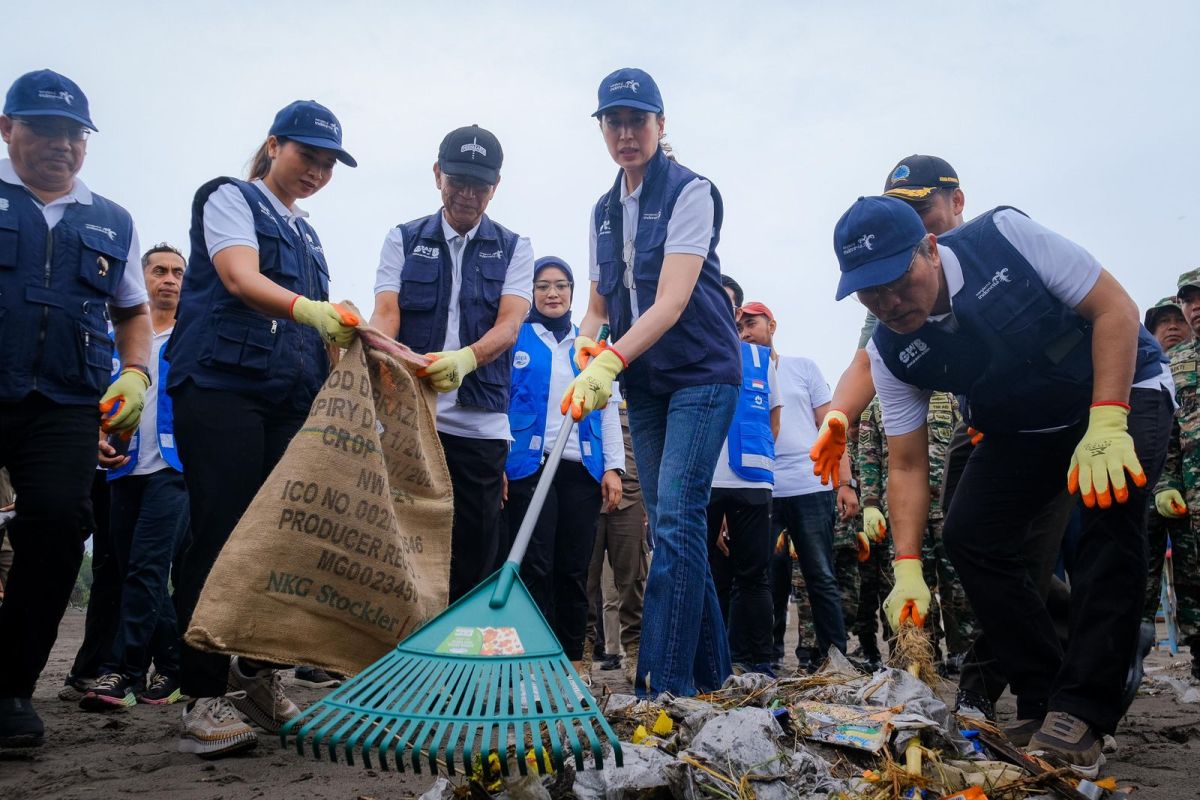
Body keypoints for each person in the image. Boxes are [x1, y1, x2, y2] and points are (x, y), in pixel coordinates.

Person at [832, 193, 1171, 776]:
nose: (887, 302)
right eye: (869, 291)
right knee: (970, 534)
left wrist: (1109, 417)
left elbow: (1114, 309)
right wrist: (908, 565)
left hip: (1117, 389)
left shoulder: (1005, 239)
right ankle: (1044, 693)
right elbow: (908, 463)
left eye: (896, 279)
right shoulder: (889, 351)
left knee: (1110, 506)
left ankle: (1085, 710)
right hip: (1024, 425)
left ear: (930, 249)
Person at [165, 100, 359, 757]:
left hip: (289, 396)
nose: (316, 171)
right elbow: (238, 277)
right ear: (274, 145)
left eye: (328, 164)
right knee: (222, 534)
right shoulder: (230, 199)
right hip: (222, 387)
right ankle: (201, 693)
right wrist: (314, 308)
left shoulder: (309, 235)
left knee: (282, 542)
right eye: (307, 156)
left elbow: (324, 334)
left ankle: (259, 680)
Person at [570, 67, 742, 697]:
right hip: (646, 382)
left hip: (702, 373)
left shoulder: (692, 192)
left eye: (637, 121)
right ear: (602, 129)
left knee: (675, 519)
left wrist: (608, 360)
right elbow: (597, 304)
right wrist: (585, 348)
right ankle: (717, 679)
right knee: (674, 522)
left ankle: (660, 688)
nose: (625, 133)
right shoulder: (602, 210)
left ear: (660, 125)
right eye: (613, 122)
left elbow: (669, 303)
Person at [0, 70, 152, 748]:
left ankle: (10, 690)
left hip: (65, 401)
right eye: (43, 129)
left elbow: (132, 312)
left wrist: (139, 372)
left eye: (73, 133)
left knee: (62, 525)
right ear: (9, 131)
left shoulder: (111, 219)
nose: (61, 144)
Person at [369, 125, 533, 604]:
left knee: (476, 545)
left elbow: (509, 325)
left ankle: (461, 656)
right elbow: (386, 312)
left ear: (495, 186)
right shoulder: (402, 238)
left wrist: (467, 359)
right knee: (403, 535)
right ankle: (398, 648)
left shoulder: (514, 246)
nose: (466, 194)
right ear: (437, 174)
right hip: (412, 416)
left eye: (479, 185)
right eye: (456, 180)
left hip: (481, 423)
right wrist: (381, 357)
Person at [501, 256, 624, 675]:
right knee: (535, 565)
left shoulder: (587, 344)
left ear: (573, 293)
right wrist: (497, 460)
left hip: (580, 468)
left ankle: (573, 665)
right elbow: (499, 399)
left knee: (574, 570)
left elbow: (608, 409)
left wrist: (613, 468)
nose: (552, 293)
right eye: (542, 286)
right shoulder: (516, 337)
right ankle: (530, 664)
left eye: (561, 285)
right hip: (528, 467)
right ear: (531, 292)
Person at [810, 155, 966, 486]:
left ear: (956, 201)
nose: (913, 225)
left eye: (920, 210)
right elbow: (867, 362)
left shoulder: (995, 250)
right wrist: (839, 414)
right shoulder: (894, 295)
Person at [80, 244, 190, 710]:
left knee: (147, 567)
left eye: (178, 273)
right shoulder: (115, 339)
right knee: (130, 570)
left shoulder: (194, 337)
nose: (169, 279)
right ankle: (173, 666)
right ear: (141, 279)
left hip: (174, 467)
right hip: (121, 467)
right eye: (159, 271)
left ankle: (119, 674)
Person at [738, 301, 856, 668]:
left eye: (751, 324)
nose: (745, 332)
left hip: (811, 484)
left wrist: (846, 483)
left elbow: (832, 427)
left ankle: (836, 656)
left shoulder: (802, 368)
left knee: (820, 572)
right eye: (739, 327)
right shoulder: (738, 375)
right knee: (767, 577)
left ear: (772, 325)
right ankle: (768, 659)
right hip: (764, 489)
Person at [855, 393, 973, 668]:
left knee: (958, 585)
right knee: (909, 586)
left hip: (949, 508)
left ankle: (965, 654)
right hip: (903, 513)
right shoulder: (878, 403)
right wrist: (870, 504)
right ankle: (918, 655)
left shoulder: (950, 399)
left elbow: (967, 450)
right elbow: (868, 458)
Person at [707, 291, 783, 676]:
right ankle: (709, 658)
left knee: (754, 574)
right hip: (704, 479)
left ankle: (760, 660)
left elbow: (773, 420)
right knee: (705, 573)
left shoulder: (761, 359)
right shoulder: (694, 346)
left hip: (752, 480)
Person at [1149, 276, 1200, 679]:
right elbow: (1166, 431)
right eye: (1190, 299)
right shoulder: (1175, 363)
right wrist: (1166, 483)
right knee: (1193, 575)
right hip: (1190, 495)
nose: (1195, 305)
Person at [586, 401, 649, 681]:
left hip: (631, 494)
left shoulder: (639, 381)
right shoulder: (588, 367)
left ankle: (634, 653)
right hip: (588, 490)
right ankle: (583, 654)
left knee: (633, 578)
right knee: (583, 581)